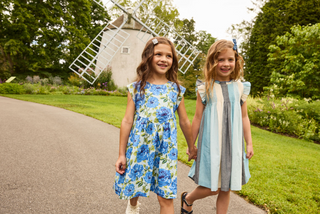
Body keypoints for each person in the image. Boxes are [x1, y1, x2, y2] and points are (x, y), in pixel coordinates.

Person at [113, 37, 197, 214]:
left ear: (173, 61)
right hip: (140, 147)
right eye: (158, 54)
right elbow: (127, 121)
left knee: (166, 196)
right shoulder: (137, 88)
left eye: (169, 56)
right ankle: (133, 205)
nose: (164, 59)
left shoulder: (176, 90)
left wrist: (191, 146)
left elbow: (184, 121)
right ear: (148, 57)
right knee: (134, 185)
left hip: (165, 150)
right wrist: (121, 154)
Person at [181, 39, 254, 214]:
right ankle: (188, 198)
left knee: (226, 187)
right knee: (211, 187)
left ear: (236, 61)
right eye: (220, 59)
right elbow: (197, 117)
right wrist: (192, 145)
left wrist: (249, 143)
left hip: (233, 146)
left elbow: (244, 117)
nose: (226, 64)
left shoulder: (240, 87)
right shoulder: (205, 88)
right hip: (211, 145)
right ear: (212, 61)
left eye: (230, 59)